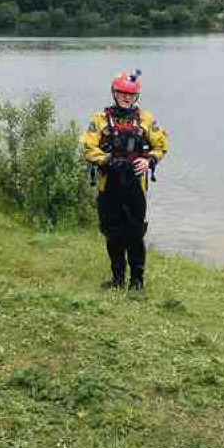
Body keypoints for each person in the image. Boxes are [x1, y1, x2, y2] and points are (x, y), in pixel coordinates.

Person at [81, 70, 168, 291]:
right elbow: (89, 149)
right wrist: (108, 160)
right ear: (114, 93)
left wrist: (149, 160)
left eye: (131, 94)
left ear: (136, 96)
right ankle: (117, 278)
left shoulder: (146, 119)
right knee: (113, 233)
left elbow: (161, 145)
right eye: (122, 93)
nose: (126, 97)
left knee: (135, 234)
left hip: (135, 185)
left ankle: (137, 282)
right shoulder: (99, 119)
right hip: (108, 183)